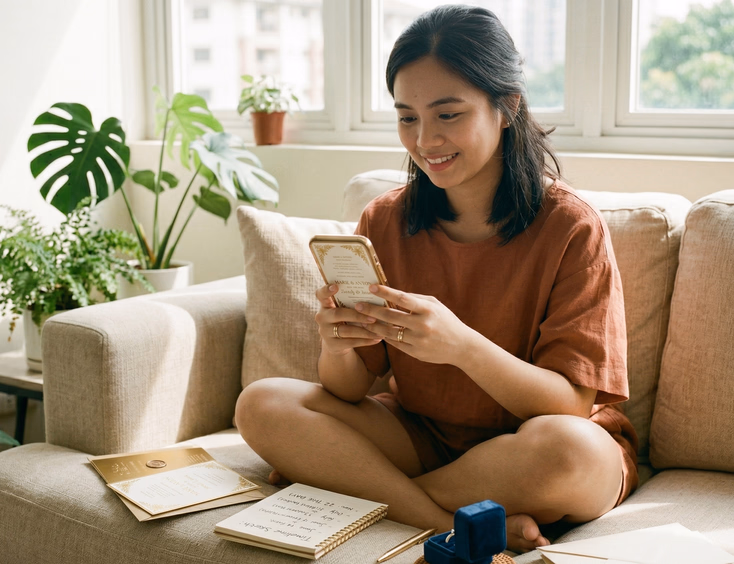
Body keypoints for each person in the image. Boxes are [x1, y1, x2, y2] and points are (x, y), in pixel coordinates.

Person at [236, 4, 638, 553]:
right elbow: (351, 389)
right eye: (407, 117)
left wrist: (462, 347)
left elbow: (569, 404)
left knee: (570, 448)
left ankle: (364, 499)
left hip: (533, 447)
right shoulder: (384, 220)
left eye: (448, 114)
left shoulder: (571, 227)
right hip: (422, 435)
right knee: (262, 403)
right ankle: (449, 524)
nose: (425, 140)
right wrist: (337, 344)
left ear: (506, 108)